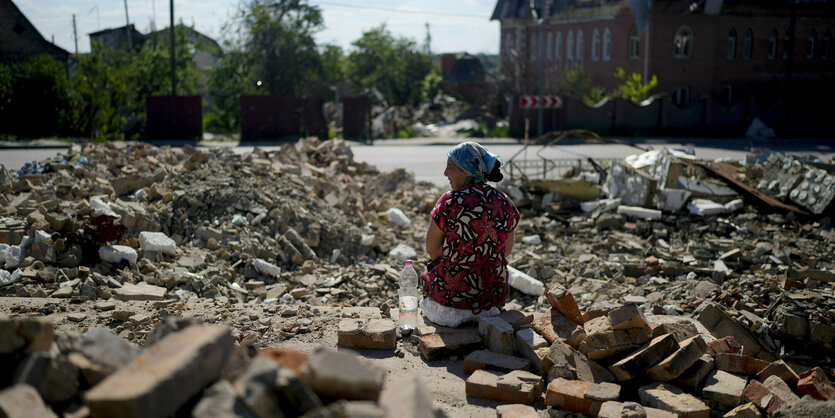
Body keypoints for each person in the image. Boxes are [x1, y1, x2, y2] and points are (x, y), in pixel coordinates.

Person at [419, 141, 520, 327]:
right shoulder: (504, 202)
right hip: (492, 295)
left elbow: (432, 250)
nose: (445, 173)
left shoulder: (450, 201)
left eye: (450, 168)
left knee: (429, 271)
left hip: (453, 295)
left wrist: (459, 262)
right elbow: (505, 252)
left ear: (466, 170)